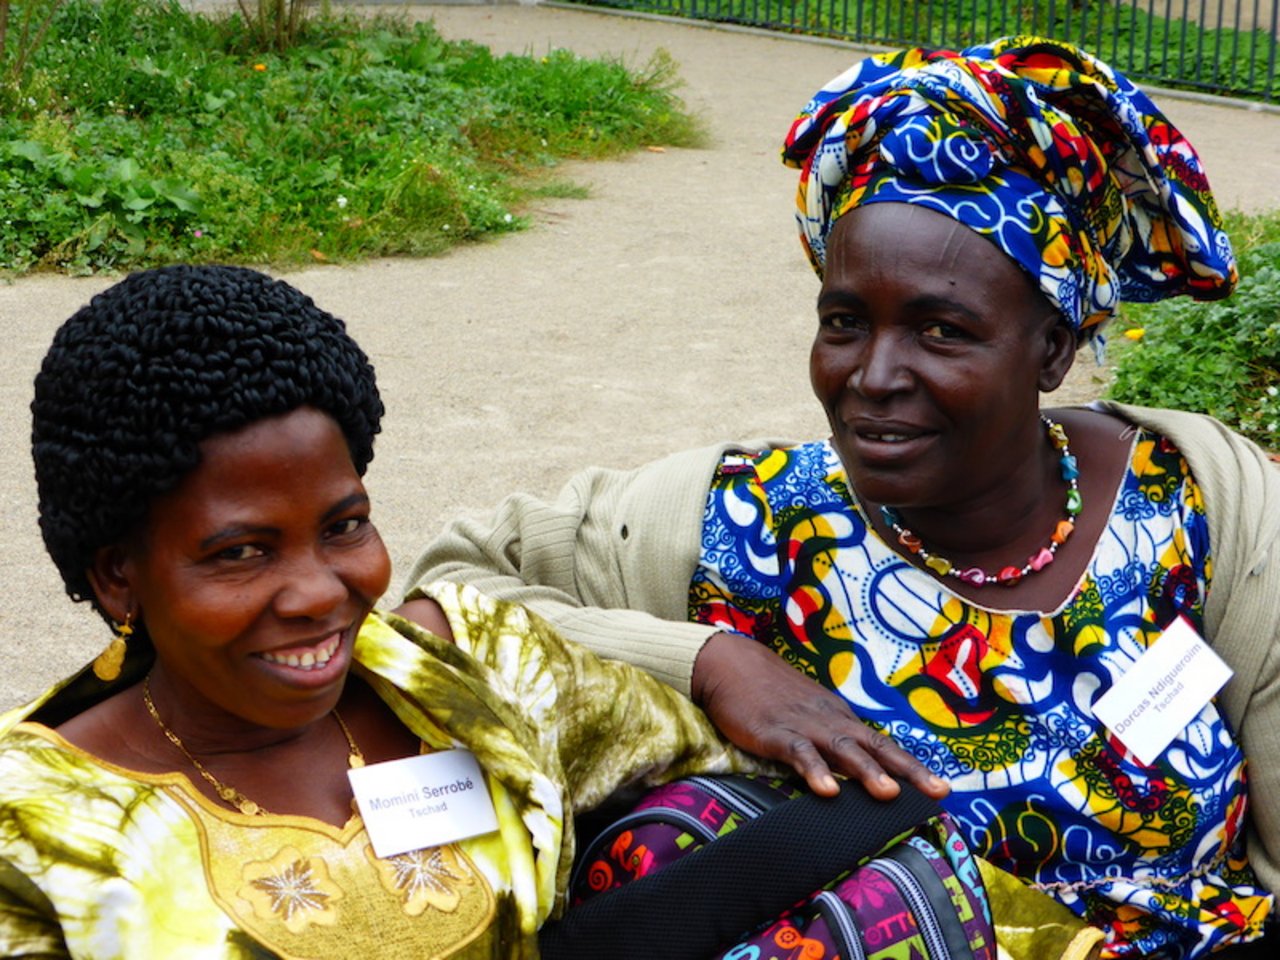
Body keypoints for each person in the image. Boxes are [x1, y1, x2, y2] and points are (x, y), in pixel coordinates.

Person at [404, 37, 1280, 958]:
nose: (874, 375)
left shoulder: (1202, 509)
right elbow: (443, 599)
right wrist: (707, 661)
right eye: (845, 321)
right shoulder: (742, 526)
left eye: (943, 330)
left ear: (1053, 349)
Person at [0, 265, 773, 958]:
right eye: (241, 552)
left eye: (343, 527)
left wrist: (715, 663)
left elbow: (734, 778)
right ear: (115, 577)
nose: (319, 592)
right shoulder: (35, 832)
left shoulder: (474, 674)